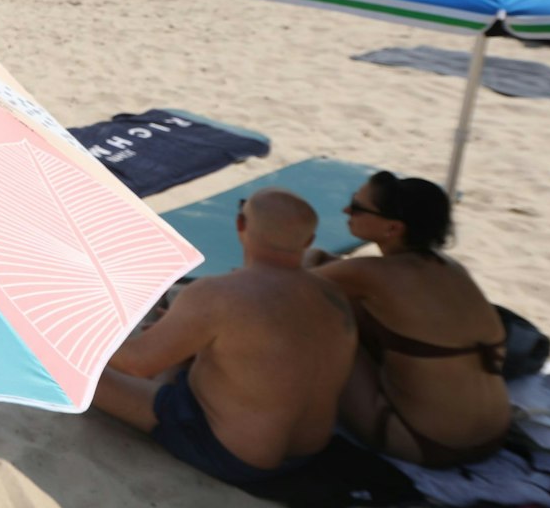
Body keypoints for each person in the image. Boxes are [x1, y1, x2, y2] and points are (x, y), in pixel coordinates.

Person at [94, 189, 356, 485]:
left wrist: (84, 328)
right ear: (308, 242)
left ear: (240, 225)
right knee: (191, 345)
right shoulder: (334, 295)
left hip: (235, 454)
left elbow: (137, 364)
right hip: (310, 452)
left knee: (84, 373)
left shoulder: (219, 293)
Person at [306, 173, 511, 466]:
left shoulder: (372, 274)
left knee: (323, 323)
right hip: (494, 434)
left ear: (393, 227)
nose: (346, 211)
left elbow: (286, 288)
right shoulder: (452, 268)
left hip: (427, 444)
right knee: (349, 305)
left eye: (357, 206)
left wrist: (310, 257)